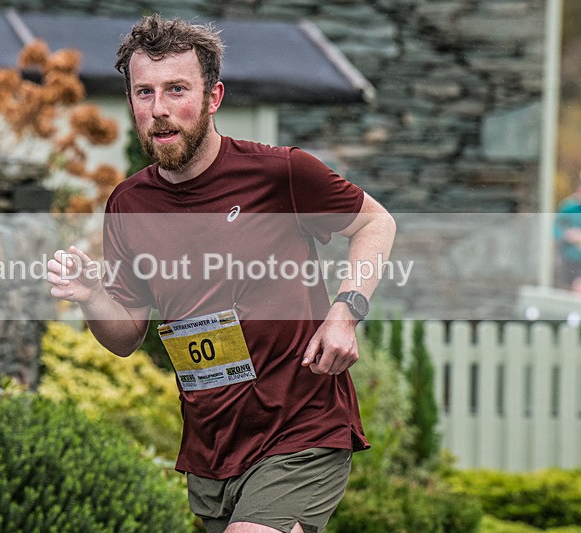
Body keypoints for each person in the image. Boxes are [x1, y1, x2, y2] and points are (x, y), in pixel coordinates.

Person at [47, 14, 396, 533]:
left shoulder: (280, 174)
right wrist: (92, 293)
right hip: (214, 448)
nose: (160, 110)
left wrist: (346, 312)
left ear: (213, 98)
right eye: (144, 93)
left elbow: (374, 221)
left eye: (177, 90)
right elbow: (124, 337)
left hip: (300, 428)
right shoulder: (129, 204)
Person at [554, 173, 581, 293]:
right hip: (570, 257)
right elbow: (556, 229)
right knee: (573, 287)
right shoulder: (568, 206)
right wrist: (568, 234)